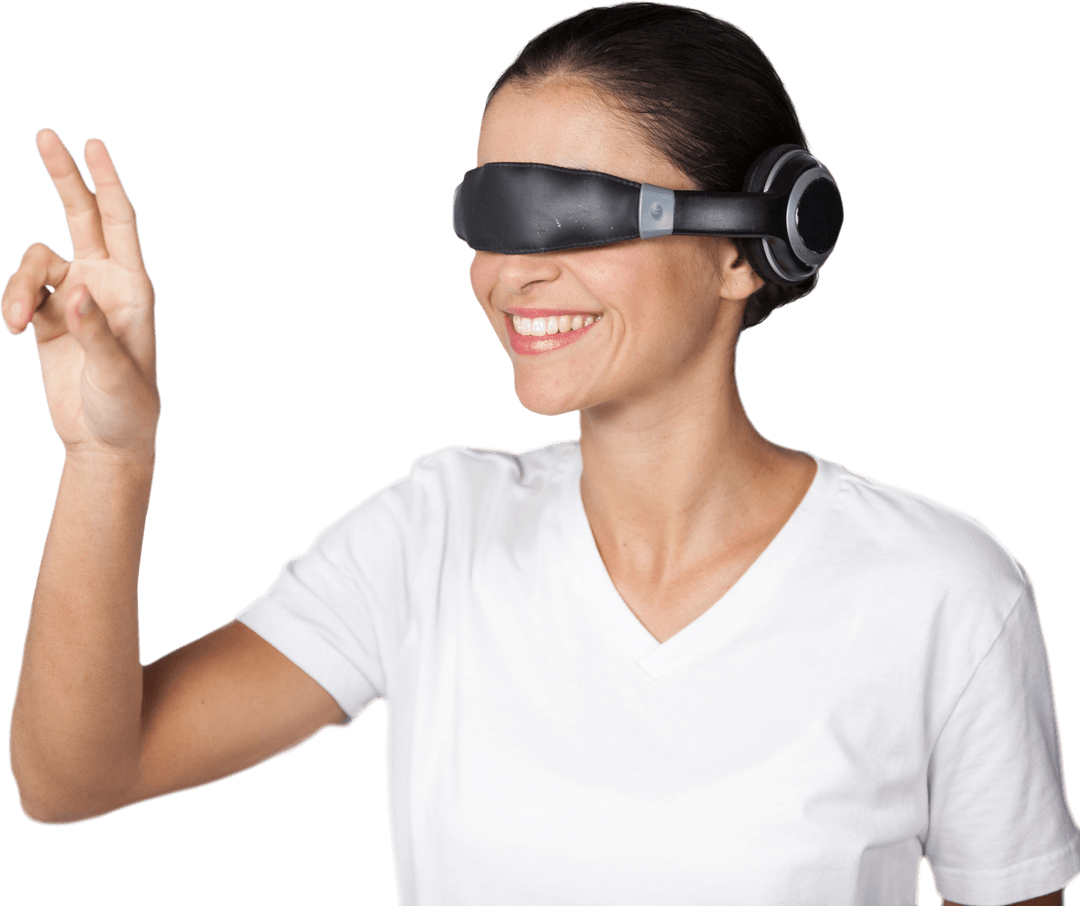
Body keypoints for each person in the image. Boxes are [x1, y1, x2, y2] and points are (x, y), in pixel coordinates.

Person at [4, 2, 1077, 904]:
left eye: (570, 214)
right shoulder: (434, 532)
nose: (512, 273)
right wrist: (109, 457)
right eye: (490, 215)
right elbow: (72, 780)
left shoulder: (942, 593)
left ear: (750, 249)